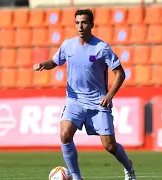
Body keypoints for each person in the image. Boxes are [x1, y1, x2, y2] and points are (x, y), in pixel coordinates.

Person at [33, 9, 136, 180]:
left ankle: (129, 167)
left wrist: (109, 95)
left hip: (98, 103)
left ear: (91, 25)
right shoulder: (68, 45)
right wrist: (43, 64)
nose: (80, 26)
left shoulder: (101, 48)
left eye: (84, 22)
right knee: (65, 134)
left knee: (109, 146)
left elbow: (120, 73)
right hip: (75, 100)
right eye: (77, 22)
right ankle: (76, 177)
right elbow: (54, 61)